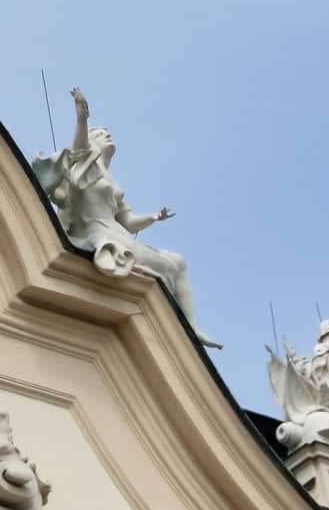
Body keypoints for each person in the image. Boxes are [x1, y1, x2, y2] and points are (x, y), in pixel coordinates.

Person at [32, 88, 219, 348]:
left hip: (116, 231)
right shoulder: (84, 164)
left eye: (108, 132)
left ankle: (193, 328)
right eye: (101, 133)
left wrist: (154, 217)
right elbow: (79, 148)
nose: (107, 134)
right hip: (96, 233)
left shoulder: (112, 181)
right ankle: (174, 328)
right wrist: (82, 119)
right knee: (165, 267)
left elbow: (129, 222)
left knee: (178, 261)